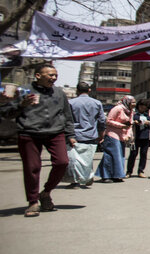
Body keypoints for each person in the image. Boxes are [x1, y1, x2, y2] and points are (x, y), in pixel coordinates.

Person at [0, 64, 74, 217]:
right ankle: (33, 201)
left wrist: (71, 134)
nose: (53, 78)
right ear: (38, 76)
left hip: (55, 132)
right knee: (32, 167)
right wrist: (22, 104)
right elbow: (6, 113)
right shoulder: (23, 91)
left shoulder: (59, 93)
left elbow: (67, 115)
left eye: (55, 75)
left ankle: (46, 192)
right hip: (29, 133)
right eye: (50, 75)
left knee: (62, 162)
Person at [67, 82, 105, 188]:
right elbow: (102, 121)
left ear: (77, 90)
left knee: (75, 159)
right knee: (88, 157)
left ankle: (76, 181)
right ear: (89, 90)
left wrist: (68, 135)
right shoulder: (97, 103)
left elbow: (67, 120)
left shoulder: (71, 103)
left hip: (75, 135)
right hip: (91, 134)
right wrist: (101, 134)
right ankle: (87, 177)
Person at [96, 96, 134, 183]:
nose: (134, 104)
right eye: (132, 102)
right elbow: (108, 121)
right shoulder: (117, 108)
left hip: (122, 136)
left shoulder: (130, 111)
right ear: (127, 102)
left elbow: (130, 124)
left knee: (120, 156)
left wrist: (128, 134)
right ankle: (106, 176)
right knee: (111, 155)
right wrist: (121, 126)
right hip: (112, 134)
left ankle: (116, 175)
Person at [126, 99, 150, 179]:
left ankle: (141, 171)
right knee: (133, 154)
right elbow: (129, 121)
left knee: (143, 154)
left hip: (145, 137)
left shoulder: (148, 113)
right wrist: (134, 122)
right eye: (141, 106)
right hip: (135, 137)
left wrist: (148, 122)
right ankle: (129, 171)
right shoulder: (133, 112)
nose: (142, 108)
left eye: (144, 107)